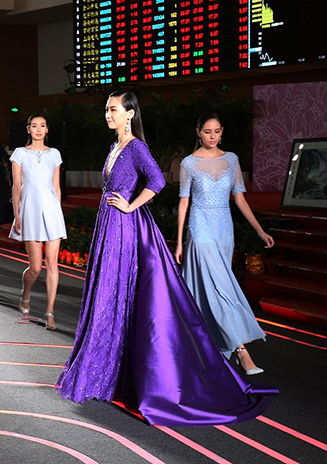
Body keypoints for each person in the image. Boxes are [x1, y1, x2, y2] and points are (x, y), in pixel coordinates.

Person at [56, 90, 277, 426]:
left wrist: (130, 205)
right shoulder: (115, 146)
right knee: (107, 295)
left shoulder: (136, 147)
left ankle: (121, 375)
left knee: (118, 294)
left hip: (125, 228)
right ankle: (105, 374)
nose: (108, 114)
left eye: (113, 109)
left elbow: (157, 180)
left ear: (130, 114)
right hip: (109, 226)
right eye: (106, 109)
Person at [175, 112, 274, 375]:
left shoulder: (232, 160)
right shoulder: (188, 163)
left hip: (224, 229)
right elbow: (184, 202)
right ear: (198, 132)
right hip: (200, 228)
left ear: (222, 132)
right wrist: (180, 242)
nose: (213, 136)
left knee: (218, 287)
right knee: (221, 287)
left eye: (217, 131)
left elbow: (240, 199)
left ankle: (208, 346)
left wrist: (259, 231)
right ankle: (242, 351)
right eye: (207, 131)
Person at [8, 114, 66, 330]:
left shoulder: (54, 154)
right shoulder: (20, 153)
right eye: (34, 126)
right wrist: (17, 214)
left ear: (47, 129)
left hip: (52, 210)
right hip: (29, 209)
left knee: (52, 263)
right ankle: (26, 294)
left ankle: (50, 312)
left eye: (42, 126)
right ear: (28, 129)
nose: (39, 129)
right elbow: (16, 186)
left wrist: (58, 213)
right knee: (35, 268)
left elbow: (56, 186)